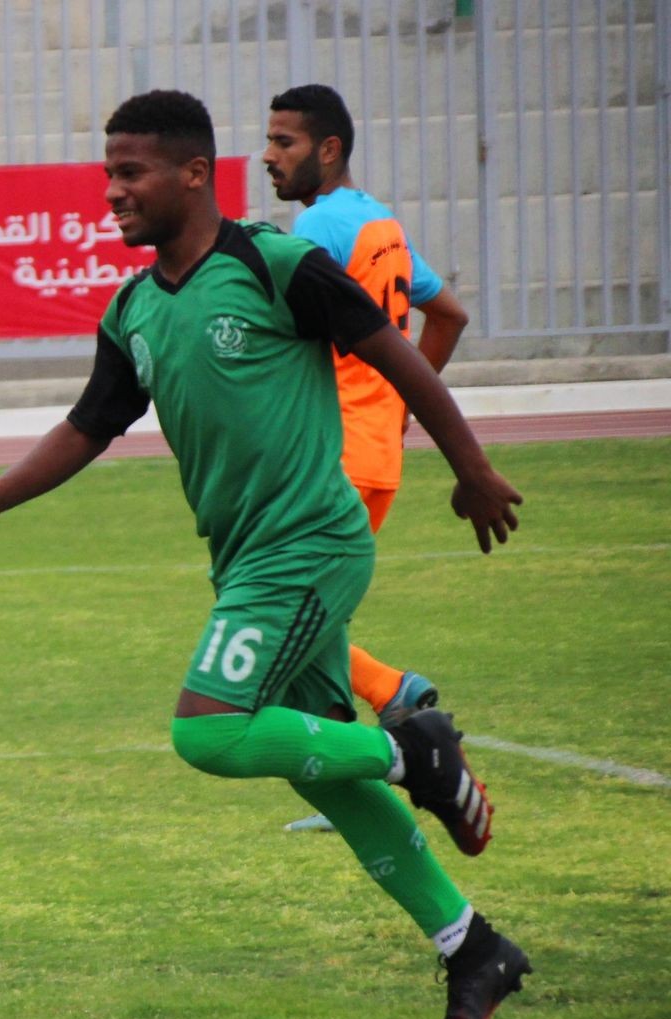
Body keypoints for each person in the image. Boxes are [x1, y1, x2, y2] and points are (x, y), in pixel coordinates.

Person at [0, 91, 529, 1019]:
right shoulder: (134, 309)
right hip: (246, 558)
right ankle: (472, 946)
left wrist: (473, 469)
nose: (112, 192)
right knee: (318, 770)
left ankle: (412, 750)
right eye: (108, 173)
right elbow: (90, 423)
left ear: (195, 173)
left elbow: (401, 359)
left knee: (207, 730)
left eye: (131, 172)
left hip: (309, 544)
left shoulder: (276, 265)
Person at [265, 86, 474, 837]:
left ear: (328, 149)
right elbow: (448, 314)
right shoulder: (380, 221)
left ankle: (394, 706)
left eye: (284, 142)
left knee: (271, 620)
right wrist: (404, 402)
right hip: (377, 454)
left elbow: (288, 332)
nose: (268, 156)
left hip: (331, 458)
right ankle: (368, 756)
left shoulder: (320, 224)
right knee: (311, 624)